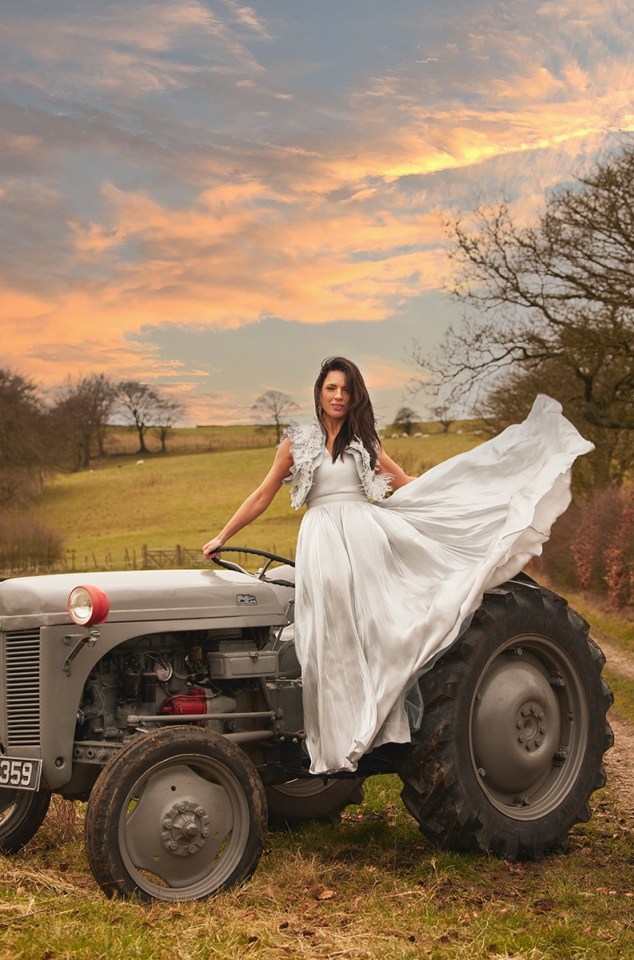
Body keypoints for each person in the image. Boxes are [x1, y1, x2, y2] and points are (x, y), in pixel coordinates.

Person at [203, 356, 594, 775]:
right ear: (319, 391)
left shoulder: (364, 440)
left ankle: (375, 729)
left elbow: (405, 482)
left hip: (366, 538)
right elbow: (263, 494)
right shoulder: (297, 443)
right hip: (322, 541)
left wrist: (458, 499)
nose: (338, 396)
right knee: (326, 637)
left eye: (346, 390)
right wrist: (223, 536)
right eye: (331, 388)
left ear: (355, 396)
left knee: (375, 631)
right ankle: (335, 742)